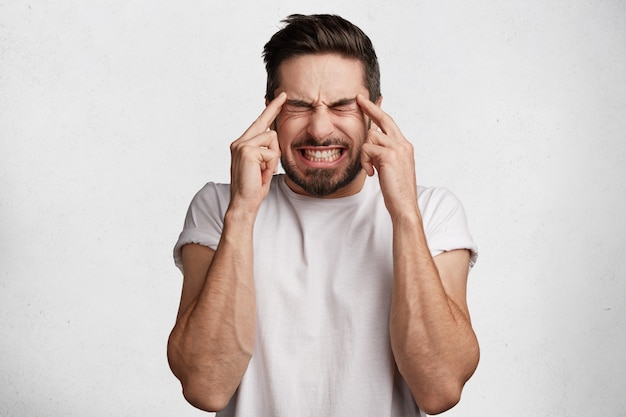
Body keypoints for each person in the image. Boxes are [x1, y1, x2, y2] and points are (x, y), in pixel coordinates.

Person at [168, 14, 479, 417]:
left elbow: (439, 389)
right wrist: (242, 213)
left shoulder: (432, 212)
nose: (318, 129)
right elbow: (205, 386)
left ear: (375, 113)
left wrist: (403, 213)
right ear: (270, 114)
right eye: (297, 105)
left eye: (342, 106)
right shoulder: (219, 207)